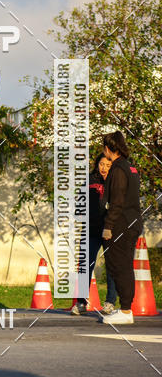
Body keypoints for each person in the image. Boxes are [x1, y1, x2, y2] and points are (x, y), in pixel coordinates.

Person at [100, 130, 143, 325]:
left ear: (109, 149)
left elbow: (116, 201)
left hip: (121, 224)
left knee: (119, 265)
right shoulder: (131, 168)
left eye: (104, 148)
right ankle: (125, 307)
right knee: (125, 264)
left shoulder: (117, 170)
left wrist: (108, 226)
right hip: (133, 221)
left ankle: (126, 310)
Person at [70, 153, 117, 315]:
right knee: (85, 265)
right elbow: (80, 203)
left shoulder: (116, 182)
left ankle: (110, 302)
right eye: (101, 164)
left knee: (112, 266)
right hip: (91, 230)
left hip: (110, 231)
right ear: (97, 165)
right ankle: (81, 303)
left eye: (108, 165)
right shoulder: (90, 181)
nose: (104, 168)